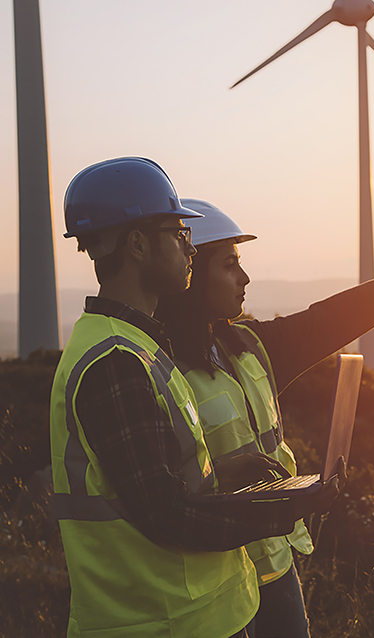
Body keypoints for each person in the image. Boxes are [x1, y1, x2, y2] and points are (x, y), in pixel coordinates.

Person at [154, 198, 374, 637]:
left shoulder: (252, 348)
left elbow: (339, 315)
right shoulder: (158, 368)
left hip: (275, 566)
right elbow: (166, 492)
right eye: (230, 265)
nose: (244, 277)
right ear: (192, 274)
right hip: (213, 580)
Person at [49, 158, 336, 638]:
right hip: (159, 623)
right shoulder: (115, 363)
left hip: (200, 616)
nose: (189, 248)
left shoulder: (139, 346)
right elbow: (166, 516)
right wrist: (280, 510)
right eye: (180, 233)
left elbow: (147, 485)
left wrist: (226, 474)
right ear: (138, 244)